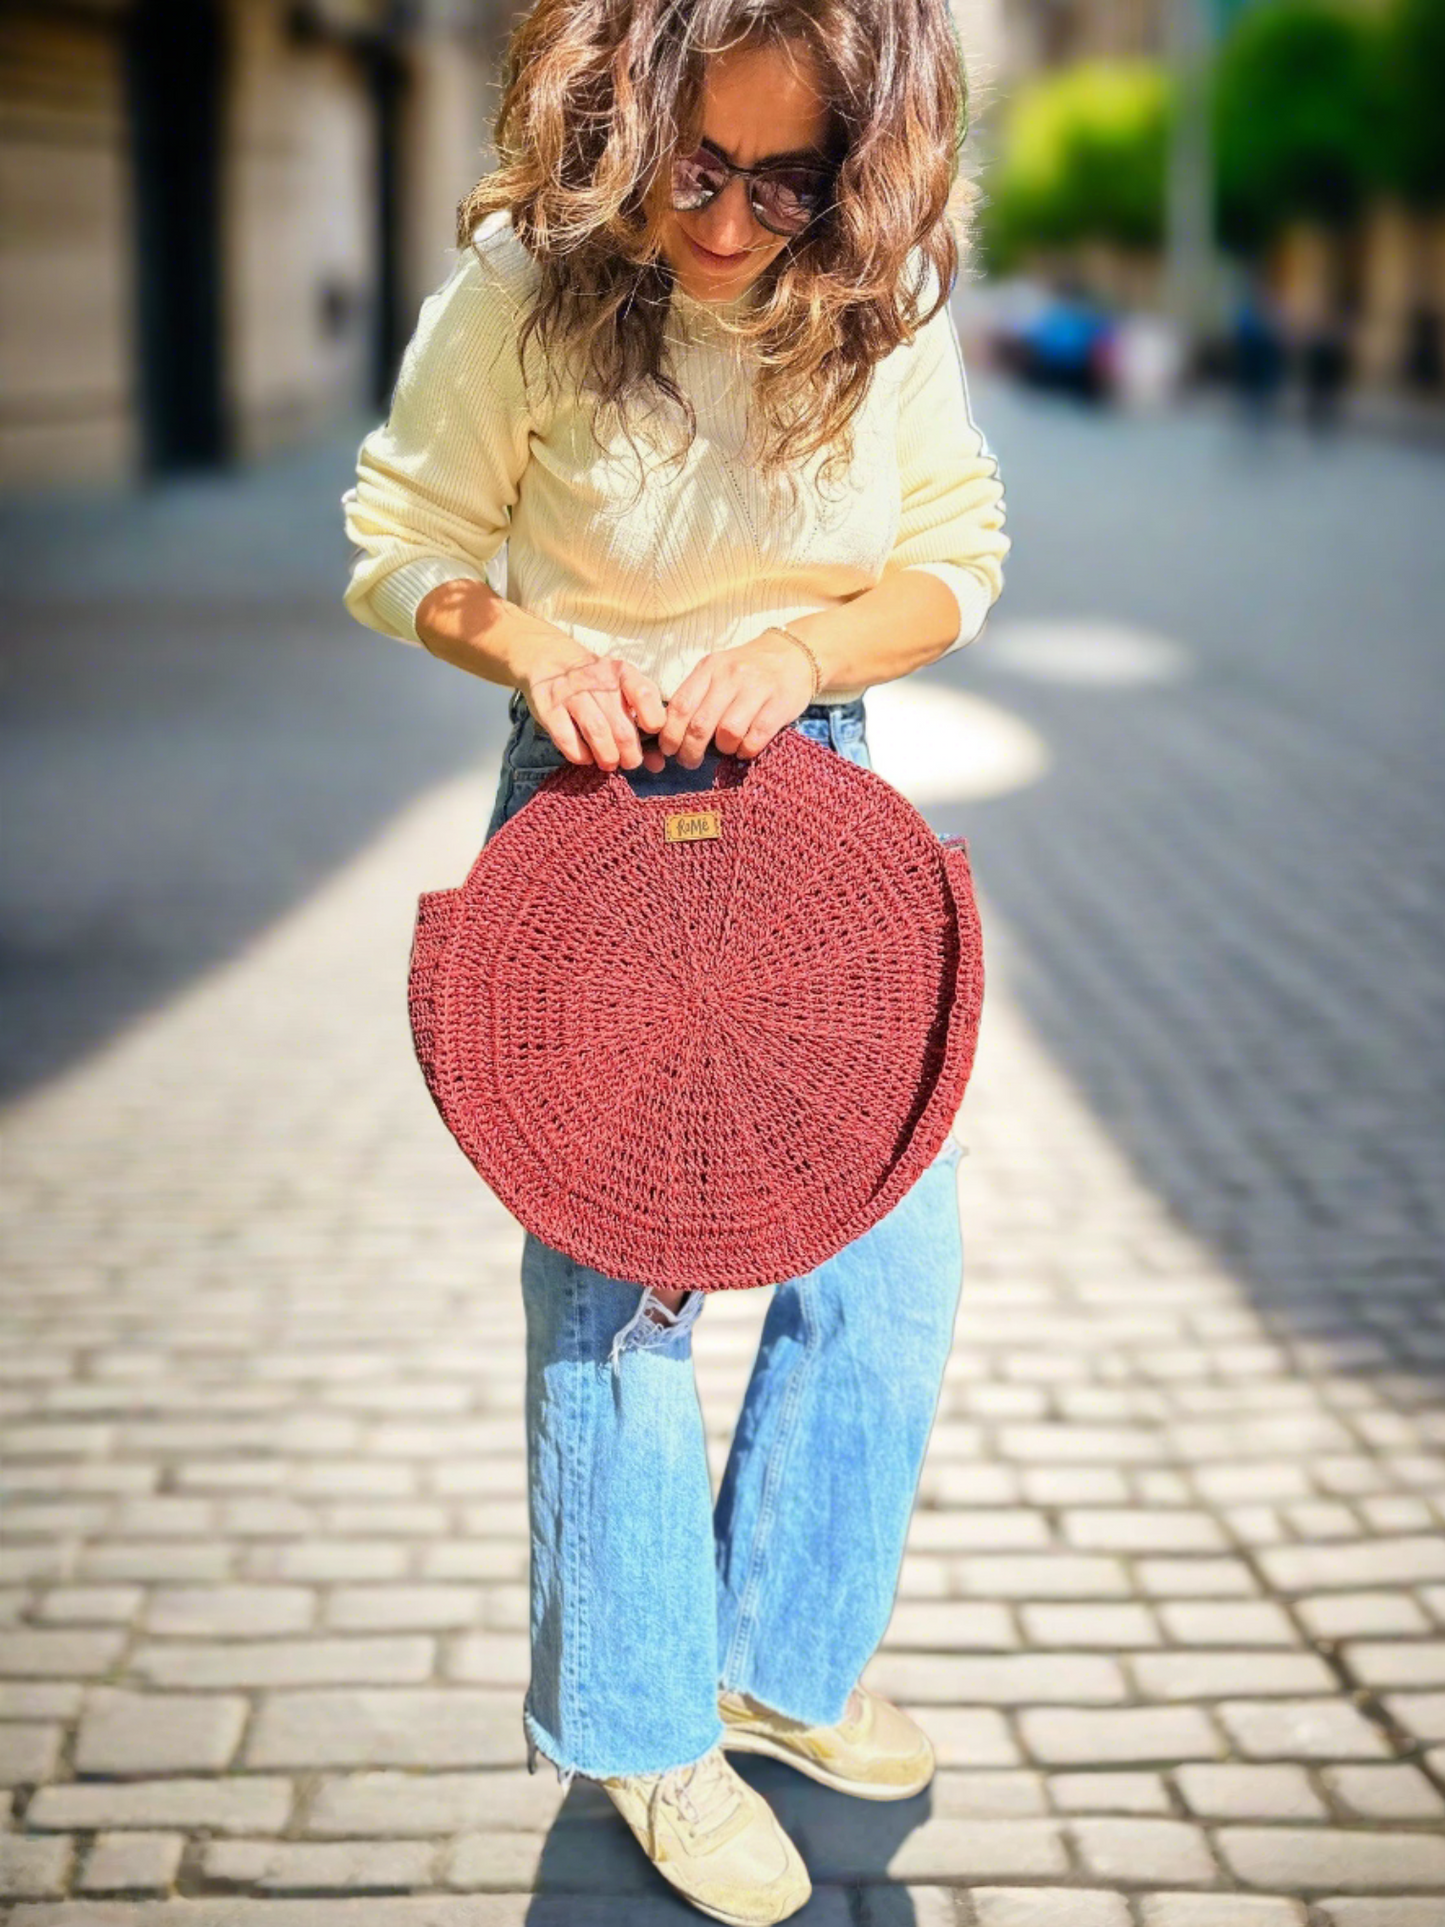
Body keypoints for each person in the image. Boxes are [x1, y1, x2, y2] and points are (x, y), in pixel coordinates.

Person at [341, 4, 1009, 1919]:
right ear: (618, 124)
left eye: (783, 181)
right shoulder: (524, 292)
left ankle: (774, 1665)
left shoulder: (876, 305)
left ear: (856, 175)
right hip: (590, 806)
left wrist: (803, 656)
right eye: (692, 168)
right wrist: (539, 647)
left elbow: (958, 549)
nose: (727, 225)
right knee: (618, 1279)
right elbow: (400, 538)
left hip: (819, 789)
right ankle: (644, 1729)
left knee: (890, 1246)